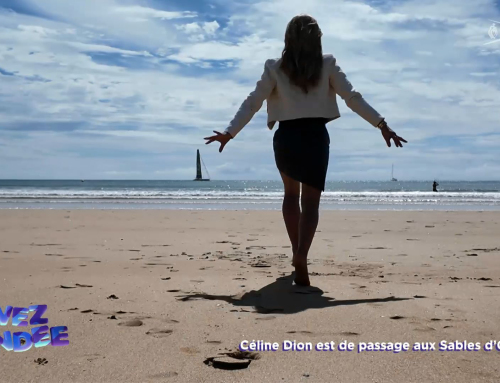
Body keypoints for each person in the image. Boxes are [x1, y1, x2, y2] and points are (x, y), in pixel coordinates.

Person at [204, 14, 407, 286]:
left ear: (288, 38)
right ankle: (302, 255)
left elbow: (252, 102)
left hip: (286, 137)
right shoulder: (328, 65)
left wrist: (230, 132)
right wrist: (381, 124)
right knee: (310, 202)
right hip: (315, 137)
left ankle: (295, 251)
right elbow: (352, 97)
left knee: (290, 195)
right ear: (317, 38)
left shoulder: (274, 67)